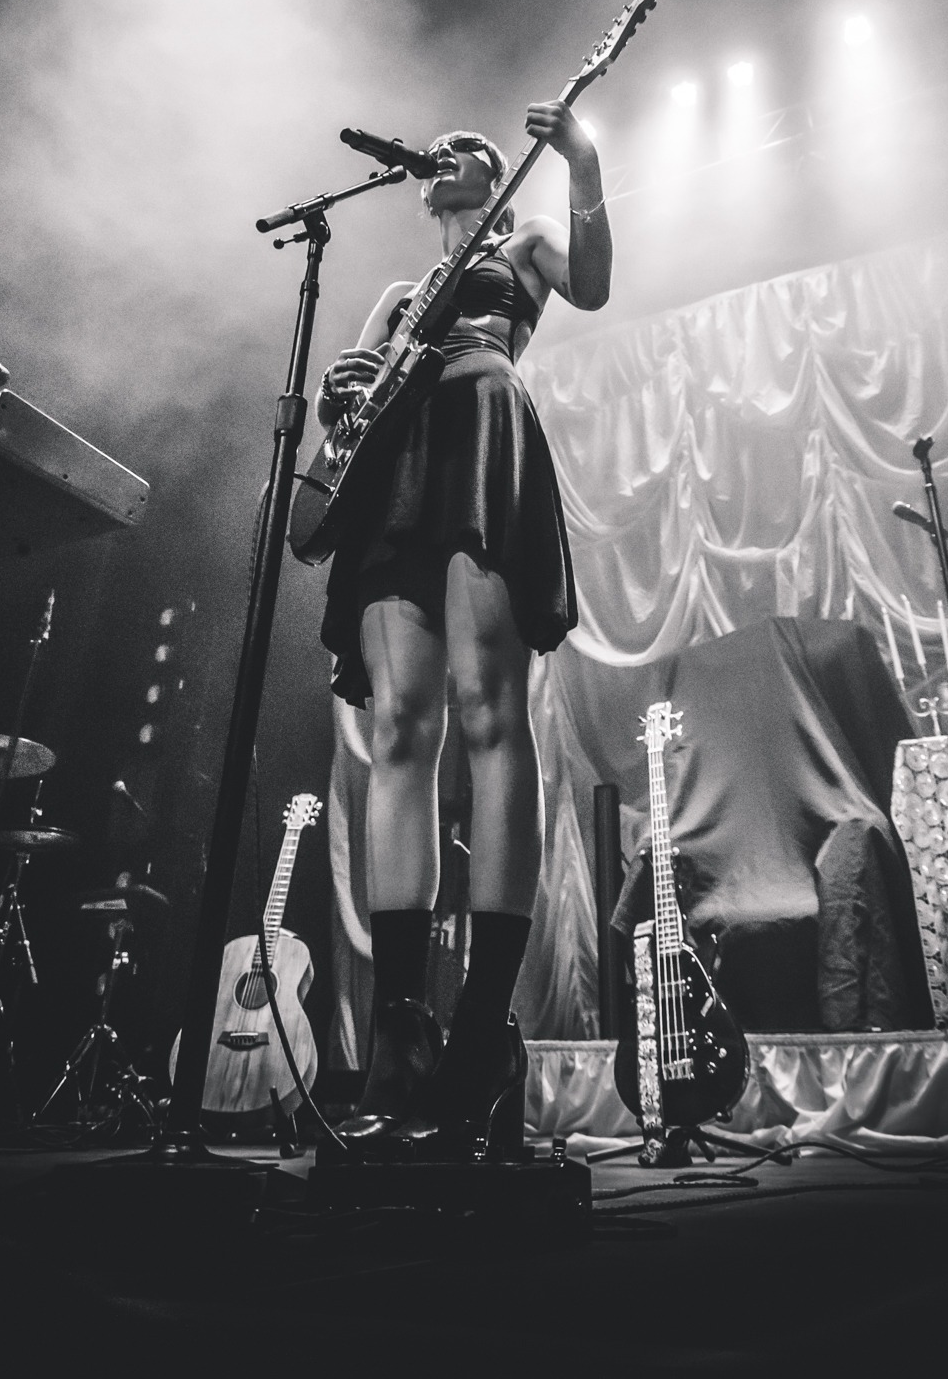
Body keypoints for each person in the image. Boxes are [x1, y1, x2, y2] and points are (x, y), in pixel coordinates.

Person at [315, 102, 611, 1153]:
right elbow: (346, 408)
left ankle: (484, 1027)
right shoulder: (398, 295)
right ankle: (399, 1032)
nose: (443, 156)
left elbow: (593, 284)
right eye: (436, 154)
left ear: (494, 173)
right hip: (398, 466)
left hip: (483, 430)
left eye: (466, 150)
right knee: (398, 726)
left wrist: (583, 162)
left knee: (489, 711)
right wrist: (340, 392)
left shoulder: (521, 243)